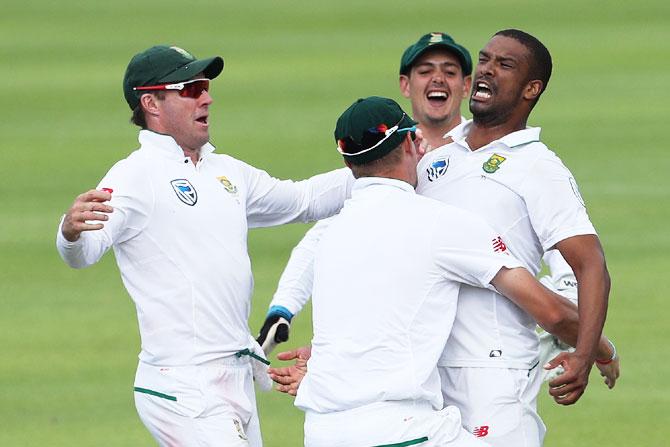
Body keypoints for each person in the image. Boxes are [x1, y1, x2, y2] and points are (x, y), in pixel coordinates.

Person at [265, 30, 620, 447]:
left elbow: (589, 263)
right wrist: (344, 355)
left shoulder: (538, 168)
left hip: (493, 373)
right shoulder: (434, 157)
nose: (488, 68)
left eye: (504, 65)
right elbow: (377, 257)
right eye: (485, 59)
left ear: (531, 88)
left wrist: (592, 349)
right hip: (426, 376)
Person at [55, 44, 353, 447]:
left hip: (235, 373)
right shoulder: (135, 175)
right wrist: (70, 232)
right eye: (191, 88)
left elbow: (302, 201)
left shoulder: (225, 171)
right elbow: (85, 251)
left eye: (205, 86)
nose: (207, 97)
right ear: (151, 103)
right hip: (183, 383)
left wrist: (381, 161)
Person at [257, 31, 473, 353]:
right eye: (426, 71)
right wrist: (283, 307)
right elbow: (322, 230)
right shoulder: (383, 159)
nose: (438, 79)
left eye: (450, 72)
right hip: (406, 336)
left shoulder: (484, 157)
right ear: (405, 84)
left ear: (466, 85)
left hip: (471, 337)